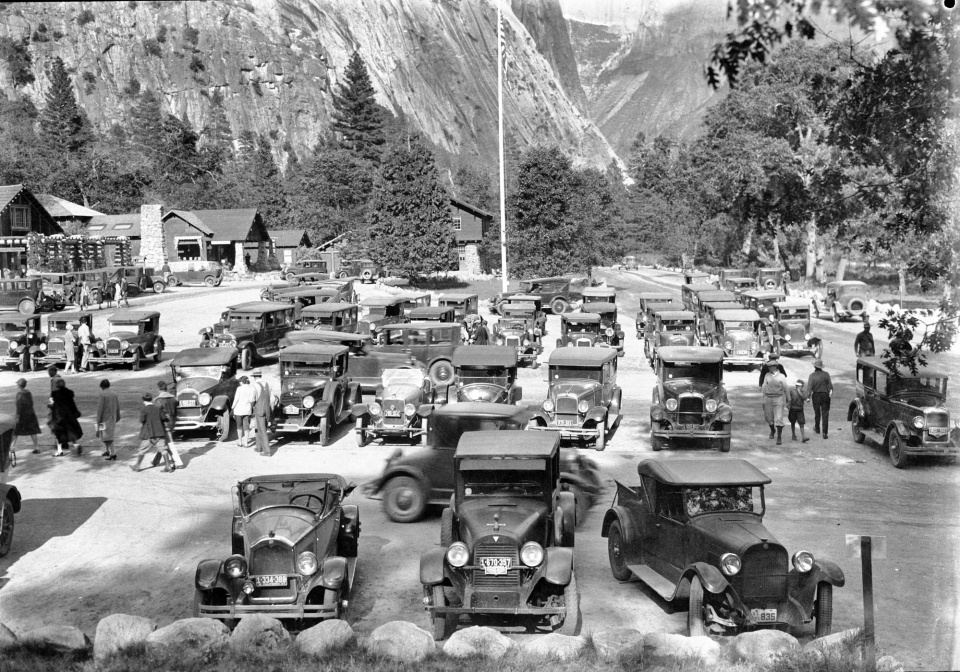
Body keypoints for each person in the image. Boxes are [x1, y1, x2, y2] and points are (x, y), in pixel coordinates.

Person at [133, 393, 173, 473]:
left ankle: (137, 466)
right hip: (160, 432)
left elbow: (142, 420)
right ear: (151, 399)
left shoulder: (144, 409)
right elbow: (164, 418)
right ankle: (168, 466)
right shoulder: (157, 408)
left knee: (142, 449)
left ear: (144, 401)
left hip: (149, 433)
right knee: (163, 449)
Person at [49, 378, 82, 456]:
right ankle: (76, 445)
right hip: (69, 416)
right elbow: (72, 404)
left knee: (58, 433)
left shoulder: (55, 394)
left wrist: (50, 406)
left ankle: (59, 450)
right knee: (70, 432)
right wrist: (76, 413)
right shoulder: (68, 393)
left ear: (57, 385)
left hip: (59, 416)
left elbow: (53, 405)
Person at [154, 380, 184, 469]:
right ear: (166, 388)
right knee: (164, 442)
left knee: (169, 443)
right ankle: (156, 460)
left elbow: (157, 414)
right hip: (172, 422)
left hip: (164, 424)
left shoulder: (158, 400)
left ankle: (179, 463)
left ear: (158, 389)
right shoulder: (173, 399)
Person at [761, 359, 791, 445]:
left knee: (779, 418)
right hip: (768, 397)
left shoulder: (781, 376)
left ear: (775, 367)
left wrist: (789, 400)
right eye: (768, 367)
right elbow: (764, 387)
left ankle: (779, 437)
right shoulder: (767, 375)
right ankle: (772, 430)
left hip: (778, 398)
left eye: (770, 367)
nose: (769, 368)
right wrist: (763, 399)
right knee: (768, 417)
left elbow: (786, 388)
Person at [13, 378, 41, 454]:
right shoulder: (29, 393)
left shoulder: (19, 394)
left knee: (15, 431)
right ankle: (36, 447)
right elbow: (31, 403)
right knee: (33, 431)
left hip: (22, 415)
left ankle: (12, 447)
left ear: (19, 385)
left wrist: (17, 416)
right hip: (30, 413)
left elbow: (19, 406)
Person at [807, 359, 834, 439]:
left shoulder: (812, 376)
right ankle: (825, 433)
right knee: (825, 414)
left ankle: (817, 428)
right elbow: (830, 386)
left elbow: (809, 388)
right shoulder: (826, 374)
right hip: (825, 395)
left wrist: (808, 397)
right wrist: (830, 393)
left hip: (816, 396)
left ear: (815, 366)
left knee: (817, 412)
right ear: (821, 367)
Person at [96, 379, 121, 461]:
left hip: (104, 418)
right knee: (107, 435)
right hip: (113, 417)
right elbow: (117, 406)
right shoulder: (114, 393)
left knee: (107, 436)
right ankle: (107, 451)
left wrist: (98, 419)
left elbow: (100, 409)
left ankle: (113, 453)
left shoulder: (102, 394)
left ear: (102, 386)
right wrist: (118, 417)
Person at [232, 376, 258, 448]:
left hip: (238, 410)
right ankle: (246, 443)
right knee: (246, 426)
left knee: (239, 426)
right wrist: (250, 407)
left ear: (242, 382)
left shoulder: (239, 388)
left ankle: (240, 442)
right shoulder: (252, 388)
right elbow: (252, 400)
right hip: (247, 410)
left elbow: (236, 399)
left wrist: (232, 407)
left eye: (240, 381)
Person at [251, 371, 273, 455]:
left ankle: (267, 451)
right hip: (267, 410)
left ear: (254, 377)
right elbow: (273, 399)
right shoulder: (268, 385)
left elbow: (252, 399)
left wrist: (252, 407)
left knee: (262, 430)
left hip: (259, 410)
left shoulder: (255, 386)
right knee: (261, 428)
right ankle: (259, 447)